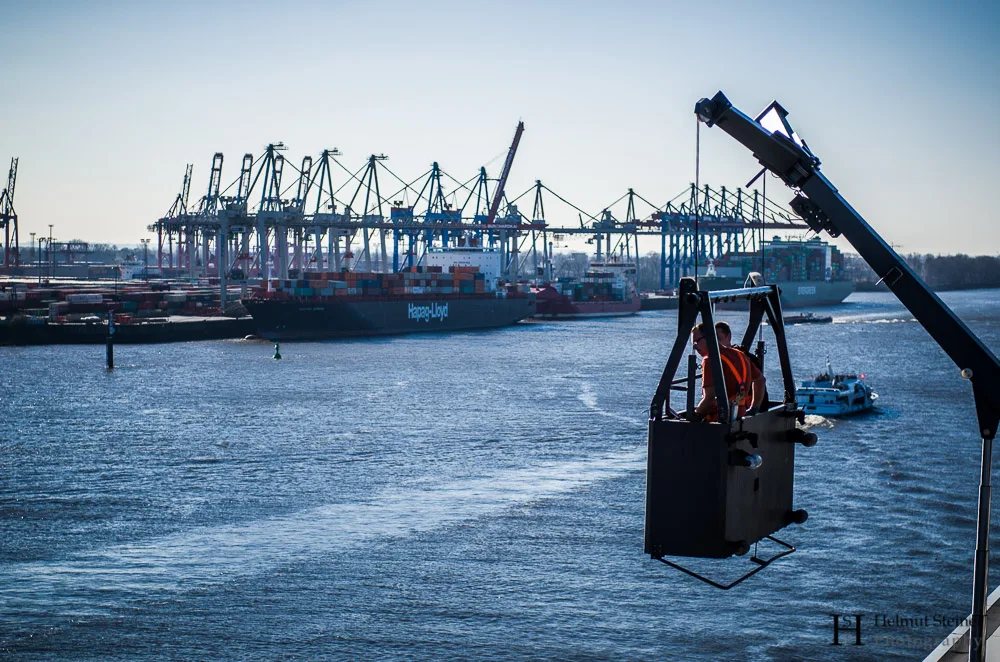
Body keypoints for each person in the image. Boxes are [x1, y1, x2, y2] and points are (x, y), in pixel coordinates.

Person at [690, 322, 766, 421]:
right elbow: (760, 380)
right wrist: (754, 408)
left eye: (696, 342)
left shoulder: (710, 360)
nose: (694, 347)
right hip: (740, 416)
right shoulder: (740, 355)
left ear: (709, 338)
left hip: (720, 419)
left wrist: (695, 416)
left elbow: (710, 400)